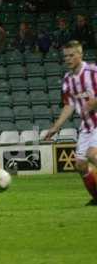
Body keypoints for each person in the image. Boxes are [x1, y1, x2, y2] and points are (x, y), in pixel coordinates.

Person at [44, 41, 97, 206]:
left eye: (72, 55)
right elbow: (69, 105)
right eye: (66, 56)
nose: (68, 59)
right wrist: (55, 127)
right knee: (80, 165)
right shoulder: (67, 79)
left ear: (80, 54)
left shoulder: (93, 72)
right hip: (86, 127)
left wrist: (95, 102)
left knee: (92, 155)